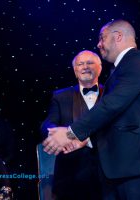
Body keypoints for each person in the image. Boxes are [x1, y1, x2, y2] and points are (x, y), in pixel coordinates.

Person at [43, 19, 140, 200]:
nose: (99, 44)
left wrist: (71, 133)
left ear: (118, 36)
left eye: (102, 38)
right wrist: (84, 141)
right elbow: (114, 118)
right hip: (119, 168)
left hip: (138, 164)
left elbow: (113, 104)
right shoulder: (120, 70)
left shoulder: (137, 60)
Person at [40, 50, 103, 200]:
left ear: (100, 68)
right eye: (80, 64)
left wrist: (85, 139)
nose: (85, 67)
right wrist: (59, 134)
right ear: (75, 71)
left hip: (108, 173)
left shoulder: (112, 94)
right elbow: (47, 124)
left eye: (90, 63)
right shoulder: (61, 96)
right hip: (70, 174)